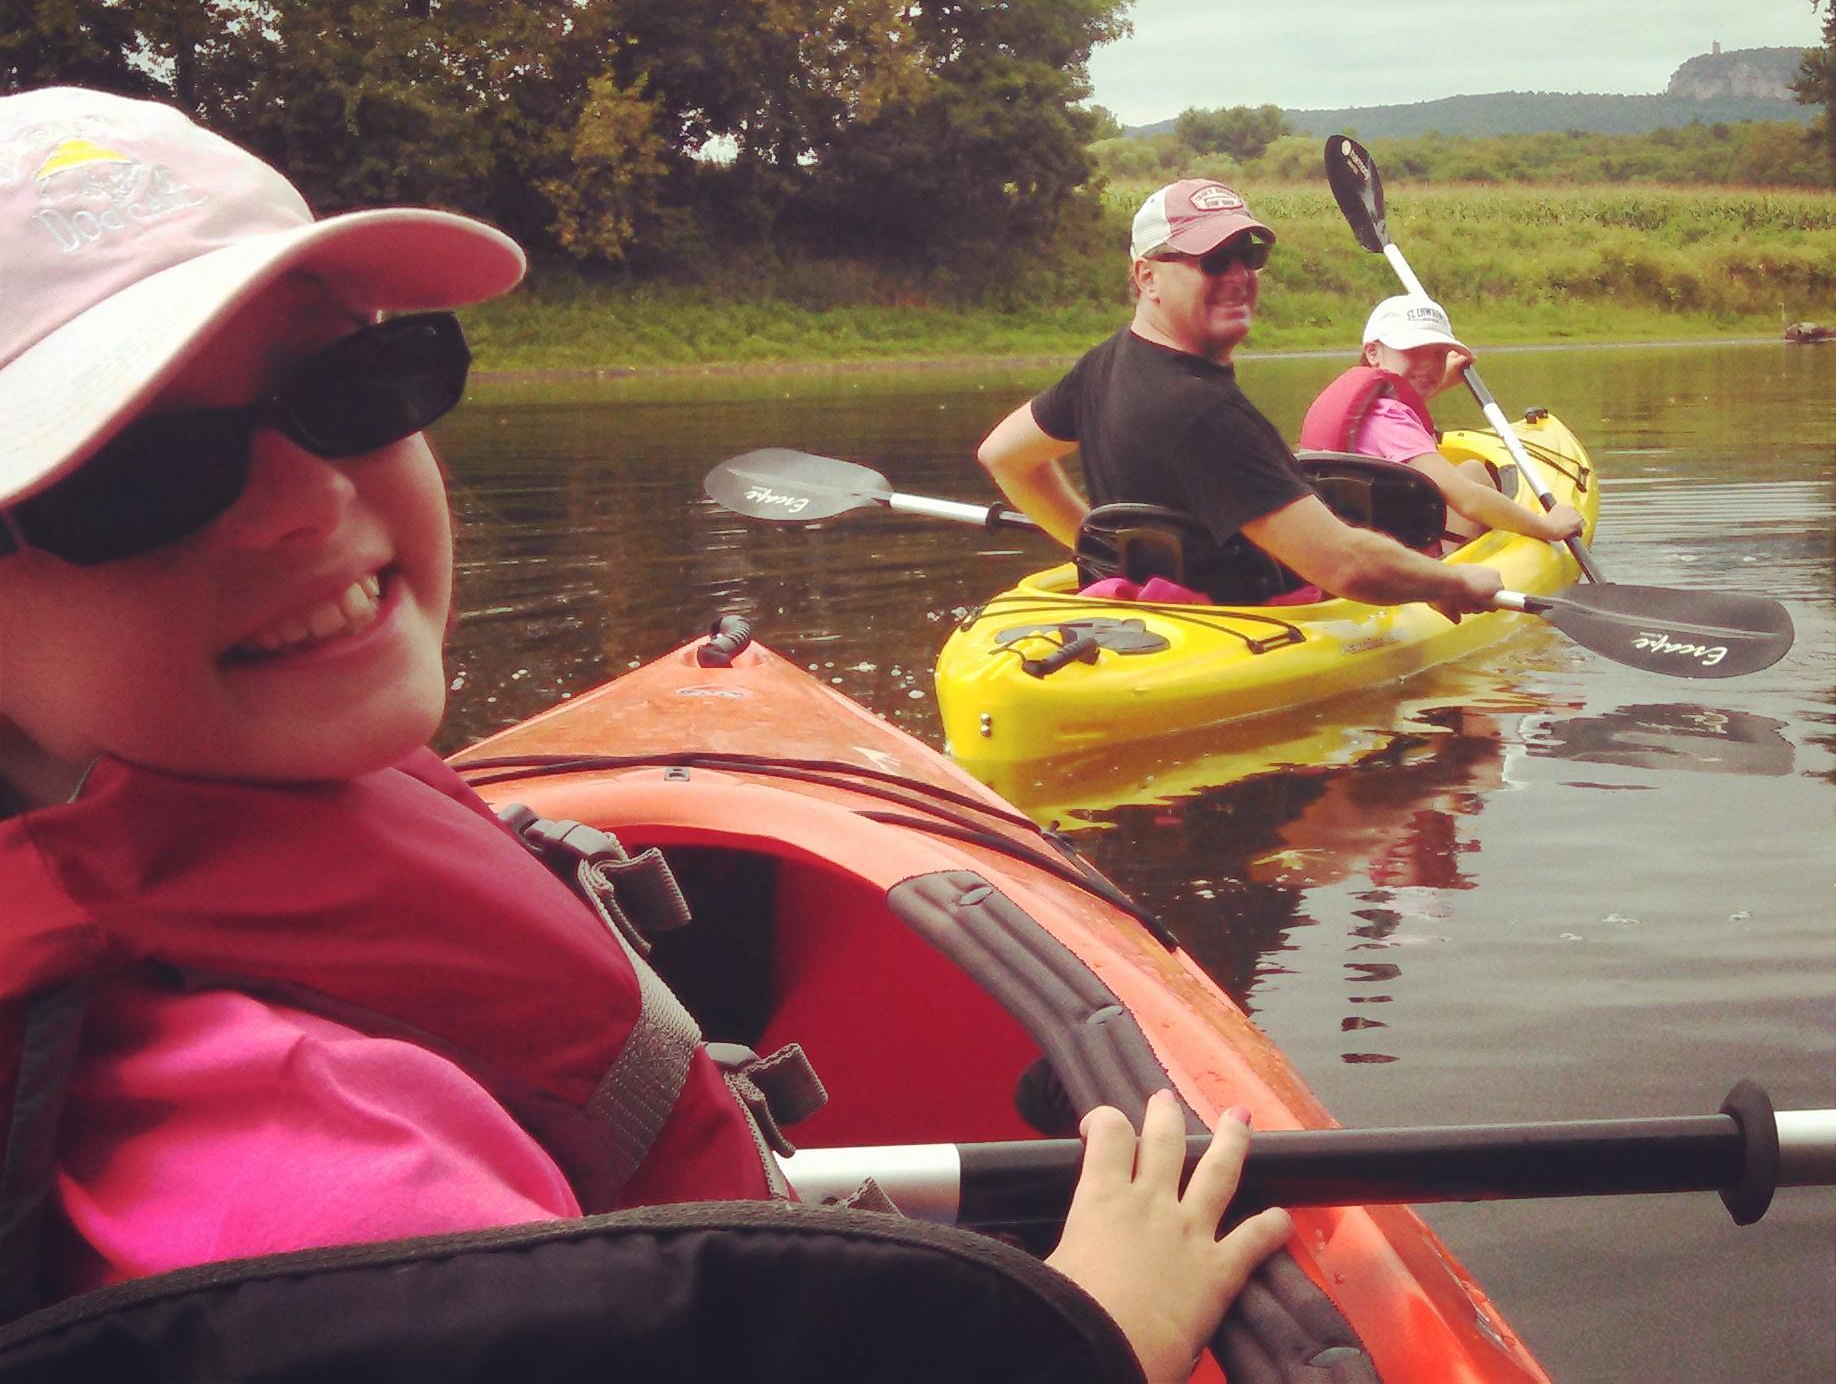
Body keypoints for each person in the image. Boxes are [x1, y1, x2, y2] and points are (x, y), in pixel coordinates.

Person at [0, 88, 1289, 1382]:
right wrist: (1081, 1334)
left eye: (351, 380)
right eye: (137, 471)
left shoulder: (224, 788)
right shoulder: (317, 1194)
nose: (310, 499)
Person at [976, 178, 1507, 620]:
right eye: (1212, 260)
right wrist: (1452, 582)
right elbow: (1343, 565)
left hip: (1162, 614)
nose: (1238, 277)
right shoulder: (1204, 413)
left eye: (1249, 256)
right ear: (1147, 276)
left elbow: (1005, 455)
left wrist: (1099, 552)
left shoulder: (1105, 363)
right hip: (1247, 621)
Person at [1299, 294, 1583, 546]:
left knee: (1471, 468)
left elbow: (1389, 423)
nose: (1428, 364)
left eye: (1438, 353)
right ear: (1373, 352)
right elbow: (1468, 499)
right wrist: (1548, 526)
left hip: (1365, 540)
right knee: (1476, 478)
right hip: (1411, 556)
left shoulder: (1373, 411)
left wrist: (1437, 383)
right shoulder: (1392, 420)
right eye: (1413, 349)